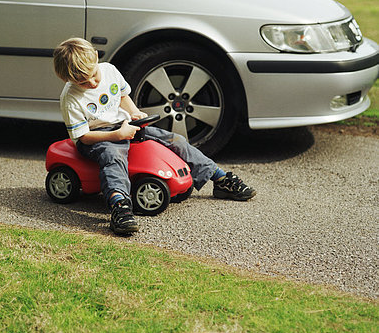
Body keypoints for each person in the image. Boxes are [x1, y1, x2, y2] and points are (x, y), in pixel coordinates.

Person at [53, 37, 256, 235]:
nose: (91, 82)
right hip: (98, 136)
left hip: (124, 125)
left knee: (175, 140)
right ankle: (120, 207)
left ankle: (219, 178)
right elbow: (83, 137)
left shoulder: (109, 71)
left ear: (96, 57)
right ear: (67, 80)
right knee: (113, 157)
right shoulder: (70, 98)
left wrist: (133, 112)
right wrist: (116, 135)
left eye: (92, 74)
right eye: (81, 81)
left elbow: (123, 96)